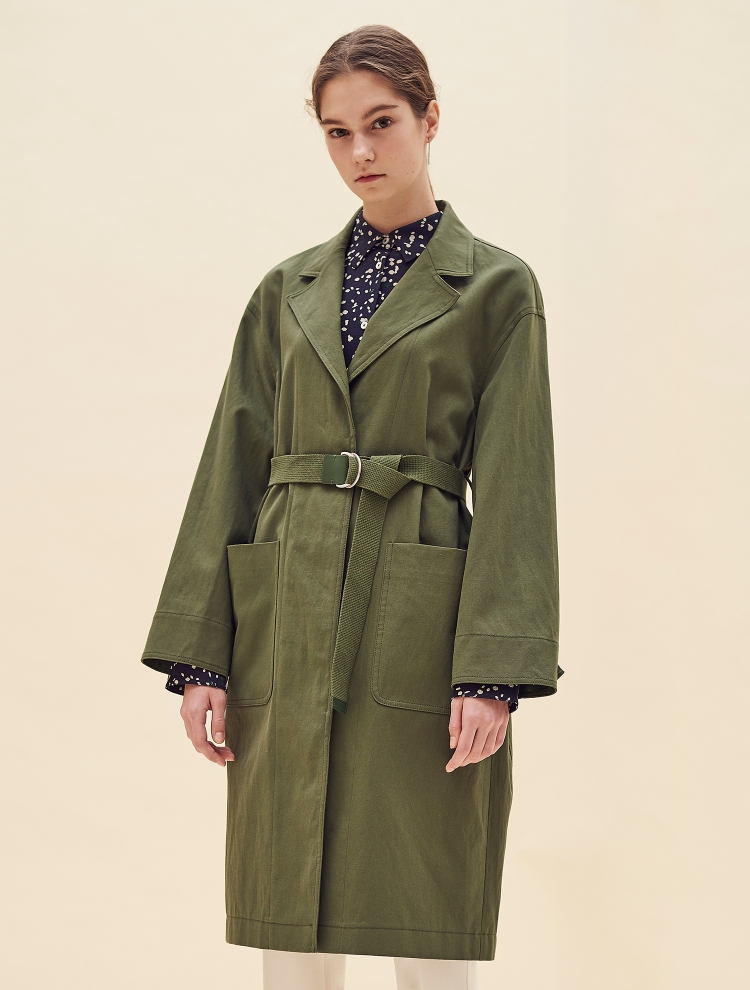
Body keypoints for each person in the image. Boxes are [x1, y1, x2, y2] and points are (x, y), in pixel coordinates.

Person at [141, 24, 561, 990]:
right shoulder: (283, 291)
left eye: (381, 123)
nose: (360, 151)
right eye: (337, 132)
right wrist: (203, 654)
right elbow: (231, 463)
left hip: (419, 614)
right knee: (287, 900)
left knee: (426, 900)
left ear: (430, 118)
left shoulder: (498, 288)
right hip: (286, 609)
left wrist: (492, 672)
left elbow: (516, 484)